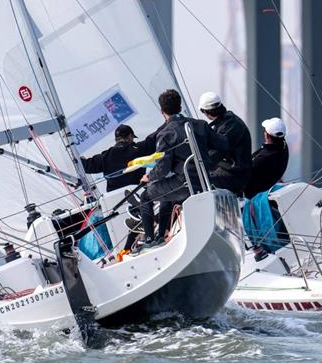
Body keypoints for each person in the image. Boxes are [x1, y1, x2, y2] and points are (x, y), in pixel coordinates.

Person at [135, 89, 228, 252]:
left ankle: (149, 240)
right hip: (205, 179)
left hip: (184, 184)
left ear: (162, 111)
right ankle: (161, 236)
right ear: (180, 106)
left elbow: (163, 169)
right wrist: (206, 161)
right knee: (164, 192)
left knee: (146, 196)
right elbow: (223, 145)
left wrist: (148, 177)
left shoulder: (165, 134)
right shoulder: (200, 124)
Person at [198, 91, 252, 196]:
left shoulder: (230, 125)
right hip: (232, 171)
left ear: (206, 111)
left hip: (235, 175)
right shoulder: (226, 121)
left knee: (196, 182)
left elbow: (217, 153)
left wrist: (195, 163)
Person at [80, 124, 148, 192]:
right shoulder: (140, 148)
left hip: (114, 194)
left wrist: (81, 160)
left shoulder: (105, 156)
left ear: (116, 139)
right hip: (137, 190)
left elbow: (86, 167)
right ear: (130, 136)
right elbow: (154, 140)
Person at [244, 118, 289, 198]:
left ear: (267, 136)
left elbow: (244, 179)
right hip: (266, 185)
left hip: (252, 196)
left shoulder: (263, 159)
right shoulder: (283, 147)